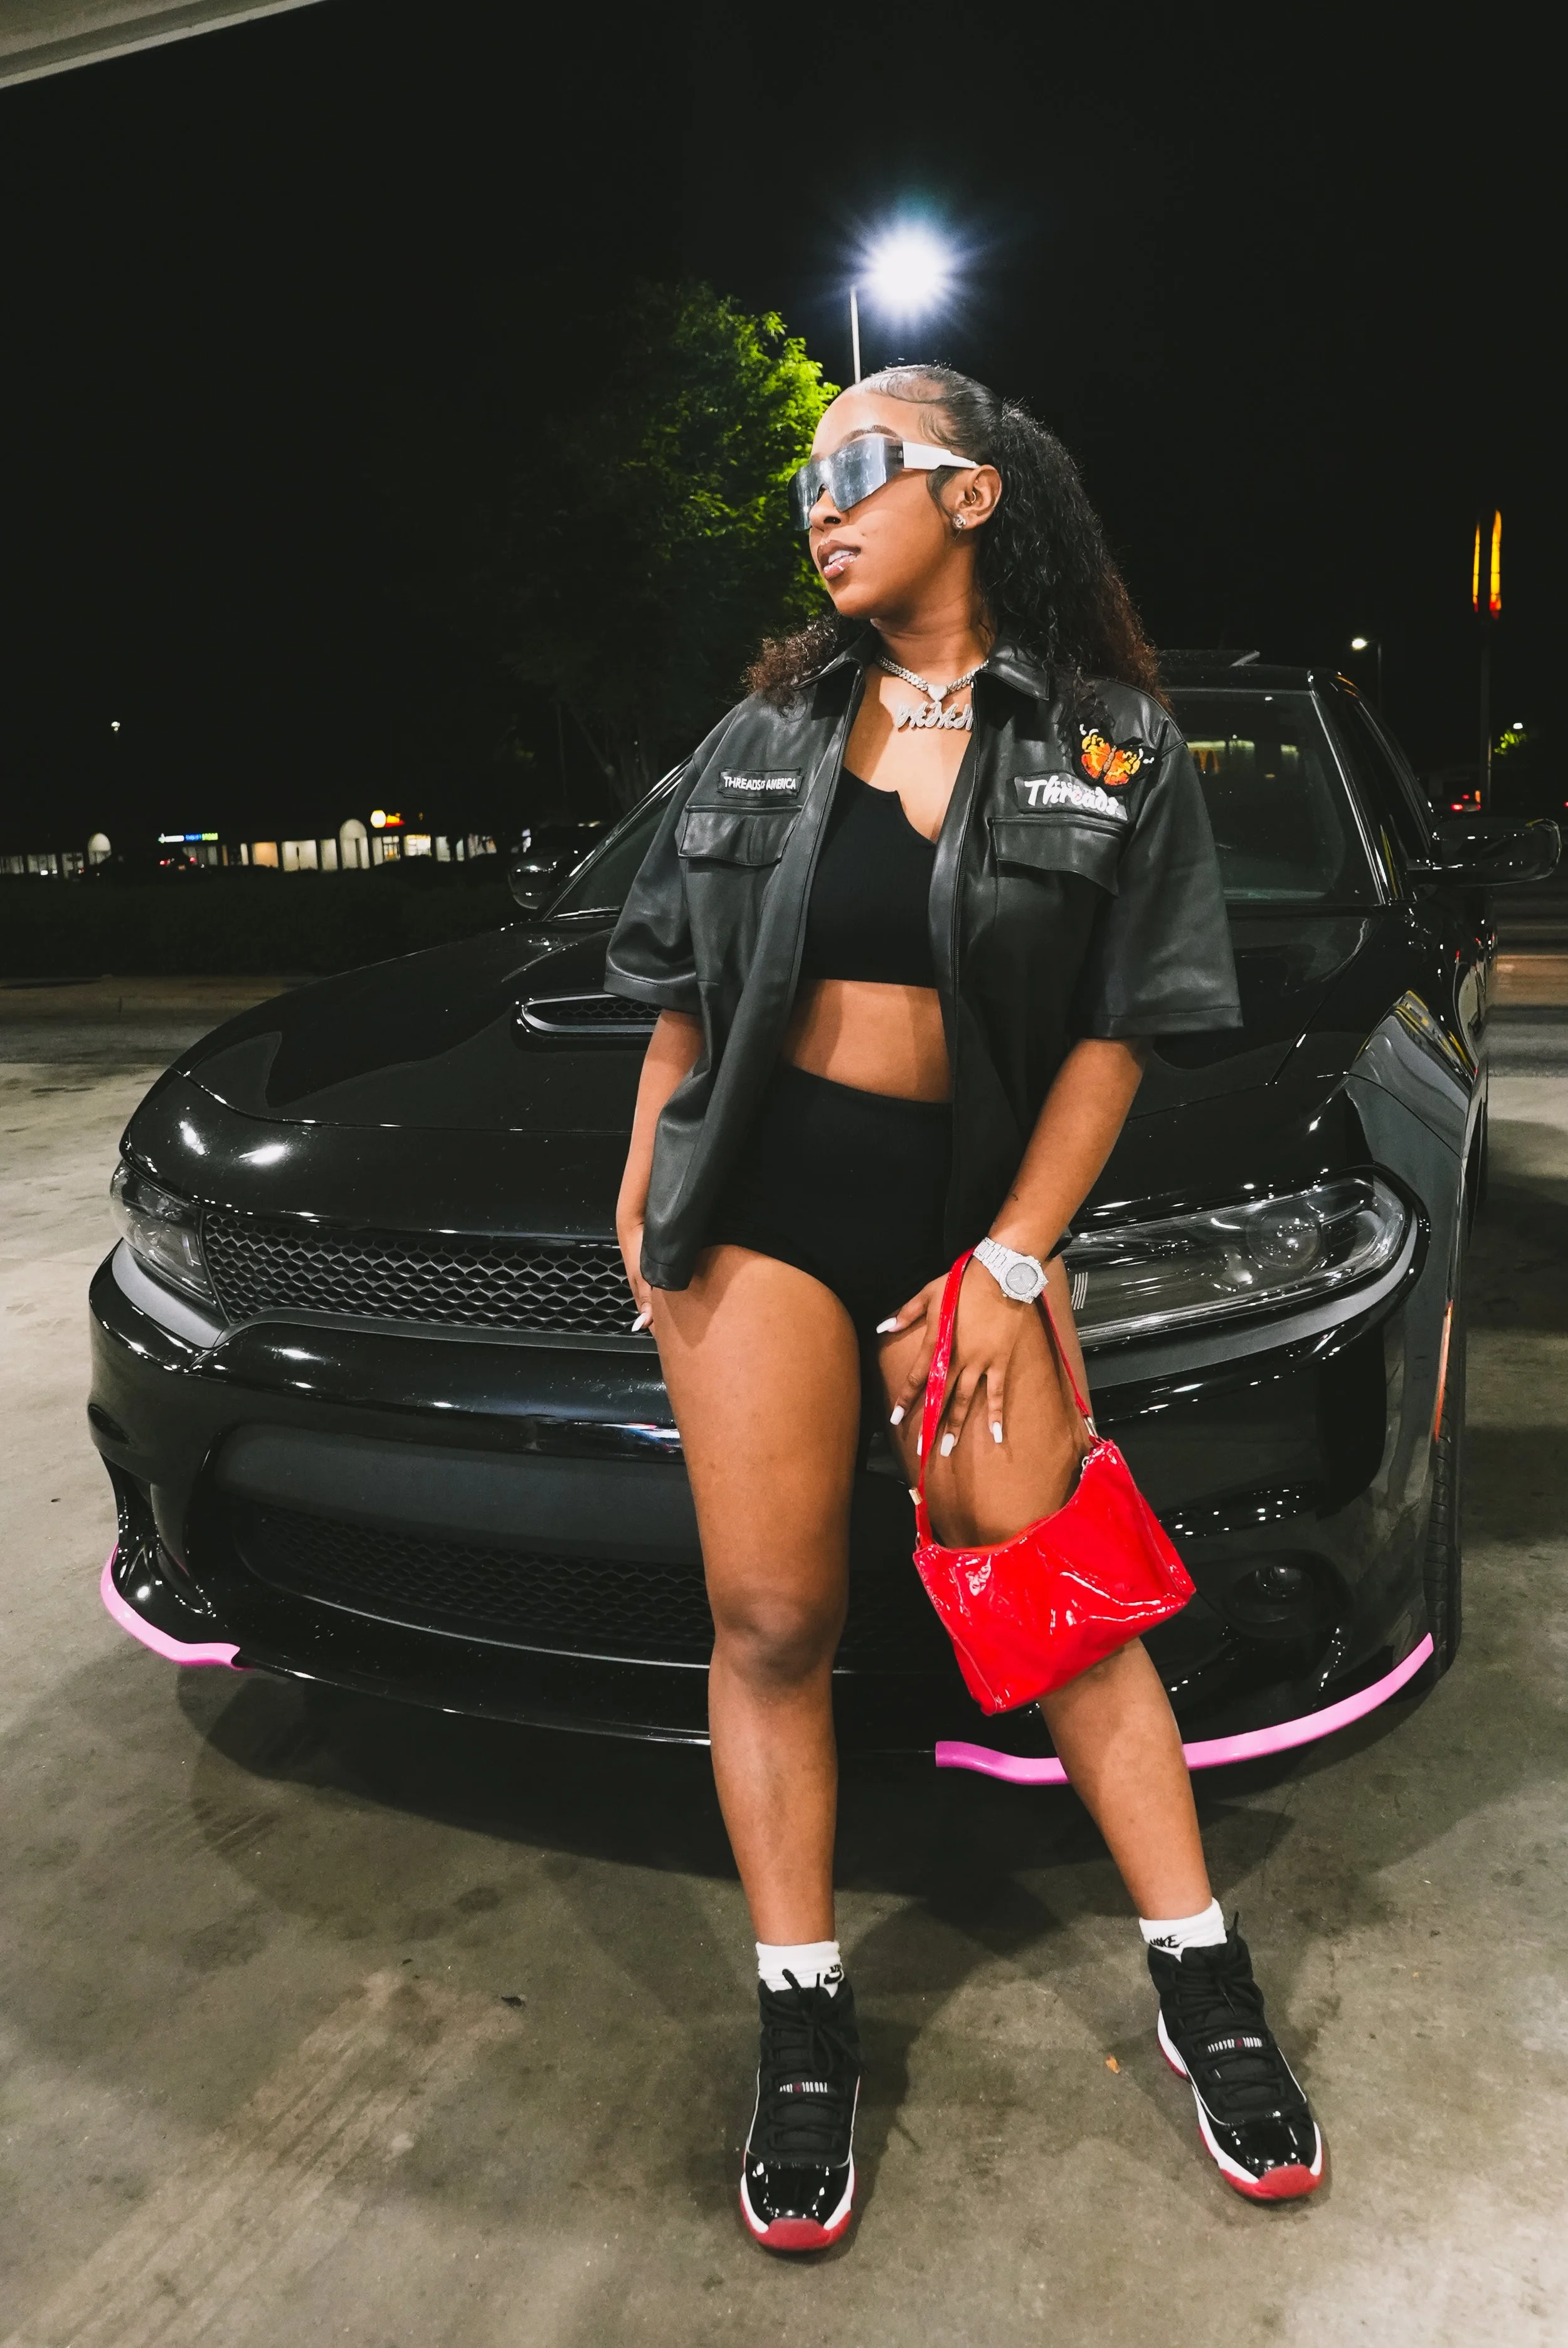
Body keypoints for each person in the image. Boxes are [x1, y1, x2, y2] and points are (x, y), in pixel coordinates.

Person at [606, 365, 1324, 2250]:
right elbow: (674, 971)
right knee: (772, 1617)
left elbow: (1122, 1028)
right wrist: (647, 1162)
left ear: (977, 493)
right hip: (765, 1210)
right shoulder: (768, 726)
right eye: (804, 483)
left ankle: (1200, 1978)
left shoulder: (1108, 742)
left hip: (967, 1228)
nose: (820, 507)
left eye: (856, 467)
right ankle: (803, 2015)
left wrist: (1011, 1262)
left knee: (1061, 1611)